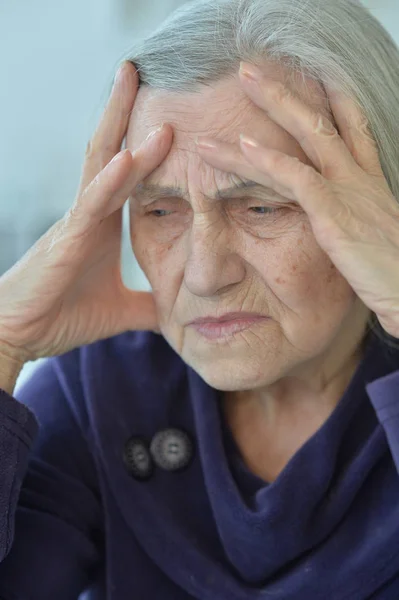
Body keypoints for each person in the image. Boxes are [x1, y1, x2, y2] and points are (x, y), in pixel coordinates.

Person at [0, 0, 399, 597]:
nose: (206, 275)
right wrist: (3, 339)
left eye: (263, 206)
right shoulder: (99, 390)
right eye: (160, 210)